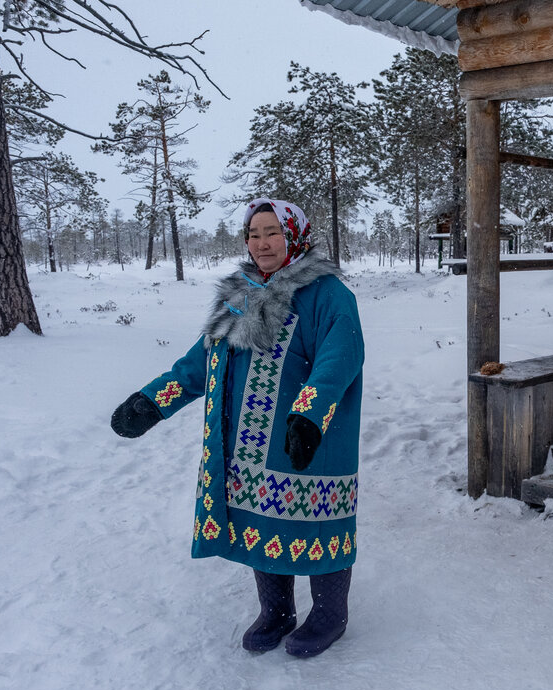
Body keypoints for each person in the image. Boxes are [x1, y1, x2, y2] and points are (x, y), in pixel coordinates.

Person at [111, 198, 365, 658]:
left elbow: (339, 359)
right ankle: (277, 611)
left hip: (305, 439)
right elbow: (202, 361)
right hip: (250, 446)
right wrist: (153, 401)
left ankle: (330, 615)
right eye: (253, 233)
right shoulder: (240, 294)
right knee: (259, 521)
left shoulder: (328, 294)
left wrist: (308, 416)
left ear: (294, 236)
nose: (262, 243)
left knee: (317, 523)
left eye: (272, 232)